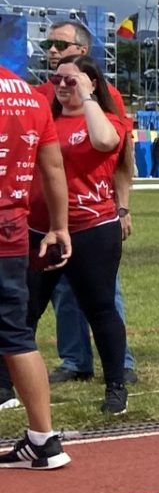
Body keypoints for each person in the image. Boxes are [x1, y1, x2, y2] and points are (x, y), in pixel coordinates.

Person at [26, 56, 132, 417]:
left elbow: (104, 142)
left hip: (92, 228)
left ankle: (116, 385)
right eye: (56, 78)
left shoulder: (107, 119)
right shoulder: (47, 119)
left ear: (91, 82)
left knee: (100, 308)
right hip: (41, 229)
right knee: (25, 309)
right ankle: (5, 385)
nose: (60, 85)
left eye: (70, 80)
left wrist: (86, 97)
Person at [0, 61, 72, 467]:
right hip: (11, 227)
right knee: (15, 334)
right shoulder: (30, 97)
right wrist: (59, 227)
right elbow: (53, 166)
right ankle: (43, 438)